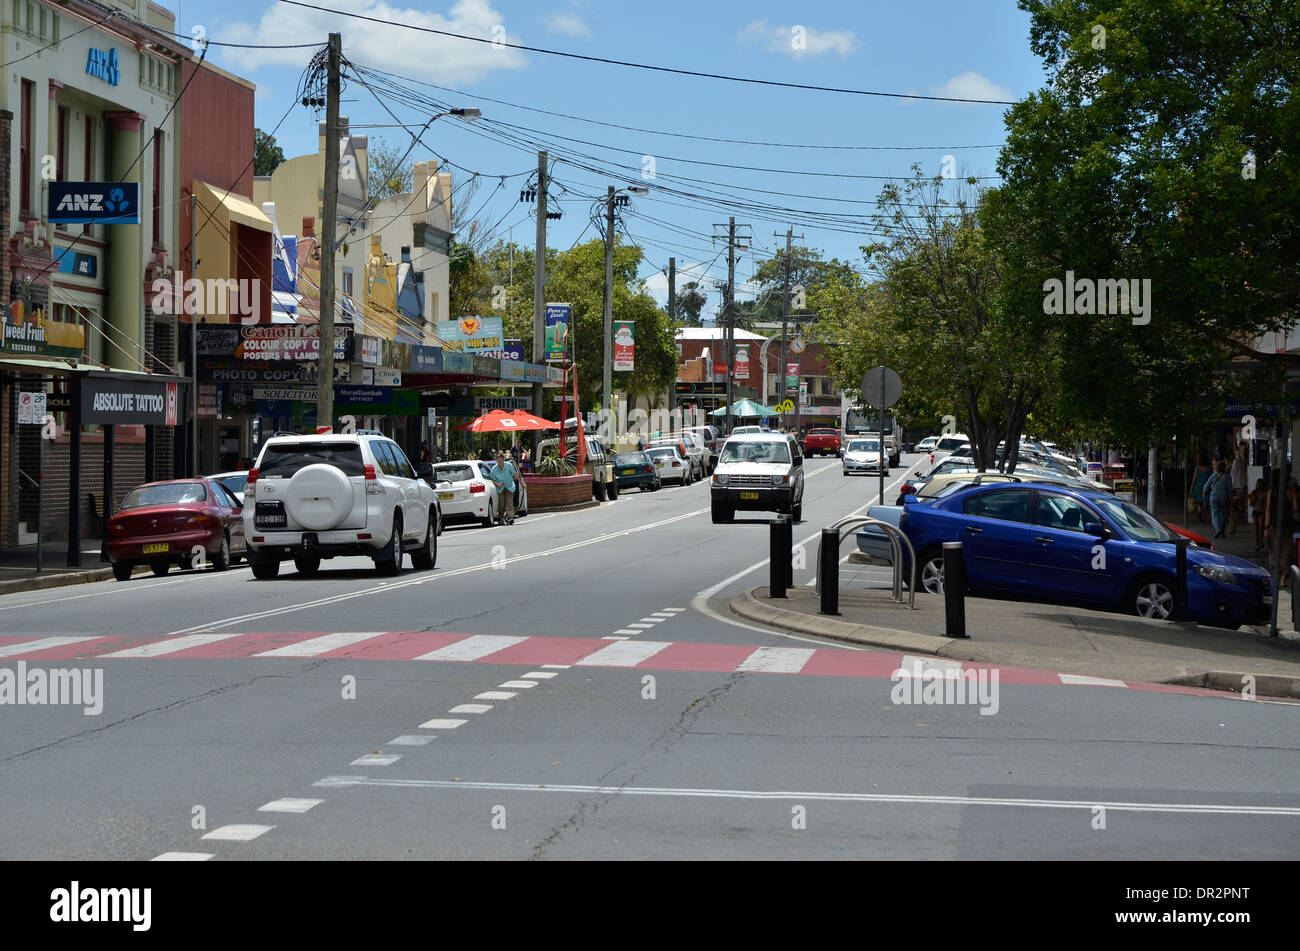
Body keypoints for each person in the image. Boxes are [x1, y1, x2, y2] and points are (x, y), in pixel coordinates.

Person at [488, 451, 518, 525]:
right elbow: (491, 479)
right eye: (498, 461)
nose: (499, 462)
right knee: (501, 505)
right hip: (500, 488)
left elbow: (514, 474)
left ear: (503, 459)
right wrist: (497, 484)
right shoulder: (494, 469)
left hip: (509, 486)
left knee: (509, 503)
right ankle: (501, 517)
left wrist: (520, 481)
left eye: (501, 460)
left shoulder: (509, 466)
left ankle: (510, 517)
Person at [1206, 460, 1231, 539]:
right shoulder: (1227, 476)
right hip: (1224, 497)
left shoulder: (1213, 475)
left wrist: (1204, 492)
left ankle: (1217, 530)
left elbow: (1206, 486)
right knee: (1223, 515)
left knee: (1215, 514)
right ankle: (1222, 531)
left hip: (1214, 497)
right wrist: (1231, 498)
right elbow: (1229, 489)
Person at [1190, 454, 1211, 522]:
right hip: (1206, 487)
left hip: (1198, 487)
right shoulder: (1209, 469)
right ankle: (1203, 515)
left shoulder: (1197, 468)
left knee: (1199, 502)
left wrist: (1191, 488)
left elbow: (1194, 479)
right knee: (1205, 502)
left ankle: (1200, 514)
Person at [1250, 478, 1268, 551]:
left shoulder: (1265, 493)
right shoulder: (1254, 492)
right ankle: (1258, 544)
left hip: (1262, 511)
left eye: (1259, 484)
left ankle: (1261, 542)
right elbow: (1251, 502)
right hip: (1256, 511)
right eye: (1257, 484)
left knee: (1262, 527)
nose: (1258, 486)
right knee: (1256, 528)